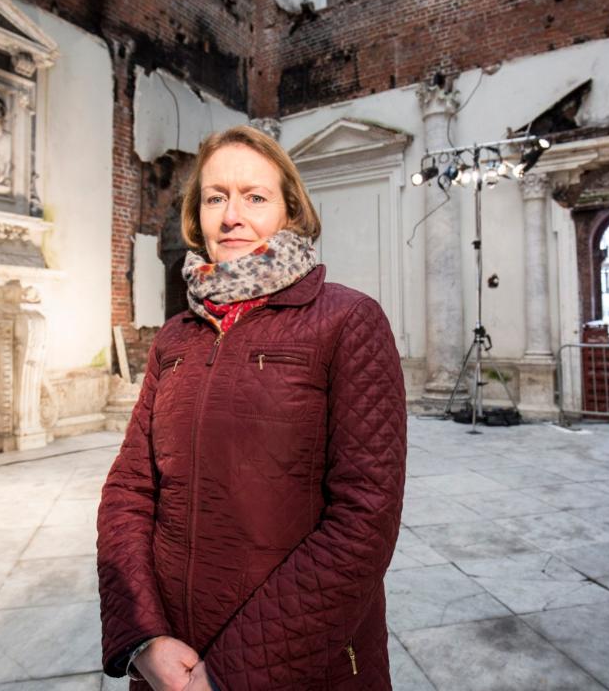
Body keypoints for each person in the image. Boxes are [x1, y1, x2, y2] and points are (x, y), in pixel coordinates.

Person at [97, 125, 406, 690]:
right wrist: (143, 639)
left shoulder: (346, 321)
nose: (231, 216)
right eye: (215, 197)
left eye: (254, 197)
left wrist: (231, 675)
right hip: (171, 662)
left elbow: (366, 516)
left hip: (300, 666)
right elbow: (129, 490)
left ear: (290, 211)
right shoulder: (176, 337)